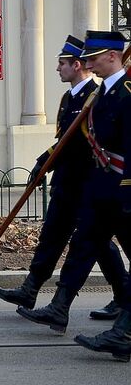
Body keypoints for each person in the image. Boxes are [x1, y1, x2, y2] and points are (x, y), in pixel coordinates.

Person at [0, 35, 125, 318]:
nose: (57, 69)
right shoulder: (72, 98)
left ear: (77, 66)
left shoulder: (95, 95)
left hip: (88, 182)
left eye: (62, 64)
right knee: (55, 237)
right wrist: (43, 163)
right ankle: (32, 290)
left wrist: (47, 162)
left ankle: (121, 296)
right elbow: (63, 138)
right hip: (68, 182)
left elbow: (78, 142)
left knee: (94, 243)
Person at [72, 33, 131, 361]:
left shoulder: (126, 94)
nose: (88, 63)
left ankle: (123, 332)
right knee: (88, 243)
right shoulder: (101, 94)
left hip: (122, 188)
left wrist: (127, 191)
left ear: (112, 56)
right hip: (103, 188)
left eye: (94, 58)